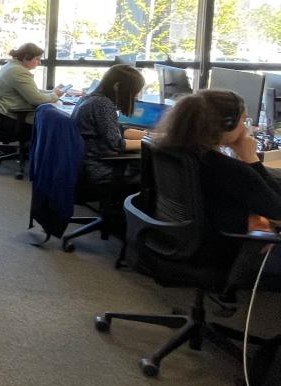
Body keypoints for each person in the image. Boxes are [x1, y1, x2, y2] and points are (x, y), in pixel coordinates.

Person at [154, 89, 281, 269]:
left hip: (176, 241)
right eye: (244, 121)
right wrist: (251, 158)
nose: (246, 128)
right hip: (218, 253)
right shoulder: (232, 171)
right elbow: (278, 214)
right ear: (227, 124)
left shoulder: (167, 150)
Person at [73, 64, 145, 186]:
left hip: (88, 163)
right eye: (132, 92)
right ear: (117, 86)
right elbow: (117, 144)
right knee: (154, 170)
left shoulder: (90, 99)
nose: (135, 97)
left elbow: (115, 130)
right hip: (101, 168)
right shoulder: (102, 104)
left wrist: (149, 135)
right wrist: (152, 143)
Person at [0, 43, 63, 140]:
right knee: (60, 123)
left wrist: (51, 92)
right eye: (37, 59)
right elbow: (36, 100)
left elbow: (33, 91)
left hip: (5, 116)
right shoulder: (18, 72)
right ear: (26, 57)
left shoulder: (11, 66)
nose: (39, 63)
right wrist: (55, 96)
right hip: (14, 120)